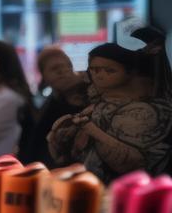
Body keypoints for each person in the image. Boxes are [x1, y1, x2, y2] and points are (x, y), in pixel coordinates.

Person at [48, 43, 171, 181]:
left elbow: (131, 163)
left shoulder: (142, 111)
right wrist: (65, 137)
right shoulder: (97, 104)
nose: (99, 76)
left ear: (129, 72)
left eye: (109, 70)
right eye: (94, 70)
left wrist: (91, 129)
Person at [18, 47, 88, 166]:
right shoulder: (50, 103)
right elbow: (34, 145)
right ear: (44, 77)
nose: (62, 72)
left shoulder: (92, 91)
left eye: (66, 66)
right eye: (55, 68)